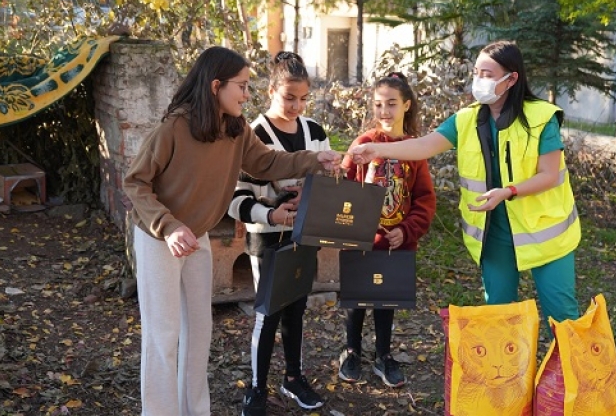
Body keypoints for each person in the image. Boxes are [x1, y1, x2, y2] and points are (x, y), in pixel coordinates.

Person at [123, 46, 341, 416]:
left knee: (199, 333)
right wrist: (169, 226)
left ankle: (195, 410)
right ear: (215, 86)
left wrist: (312, 159)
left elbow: (267, 161)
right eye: (241, 85)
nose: (246, 94)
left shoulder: (236, 129)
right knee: (163, 337)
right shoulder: (174, 126)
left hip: (198, 238)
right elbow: (135, 182)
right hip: (160, 238)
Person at [348, 40, 581, 330]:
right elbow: (423, 146)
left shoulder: (541, 118)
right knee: (499, 316)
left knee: (563, 317)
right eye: (476, 72)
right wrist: (378, 150)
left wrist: (508, 192)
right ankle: (507, 375)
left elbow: (548, 174)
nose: (479, 80)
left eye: (487, 73)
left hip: (547, 233)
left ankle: (572, 375)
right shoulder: (466, 119)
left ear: (511, 79)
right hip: (494, 234)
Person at [227, 51, 329, 416]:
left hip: (305, 235)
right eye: (289, 98)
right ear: (271, 89)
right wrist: (271, 210)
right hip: (267, 239)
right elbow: (235, 200)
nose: (297, 106)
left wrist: (313, 193)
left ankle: (293, 378)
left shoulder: (315, 132)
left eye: (303, 99)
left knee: (297, 311)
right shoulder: (253, 134)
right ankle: (257, 388)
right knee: (268, 313)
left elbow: (327, 181)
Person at [338, 72, 436, 387]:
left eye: (392, 104)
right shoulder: (363, 144)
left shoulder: (414, 150)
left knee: (386, 300)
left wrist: (407, 231)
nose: (384, 111)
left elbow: (424, 199)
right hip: (361, 241)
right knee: (356, 300)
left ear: (406, 105)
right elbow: (344, 189)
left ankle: (383, 356)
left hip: (397, 244)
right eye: (379, 104)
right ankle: (351, 351)